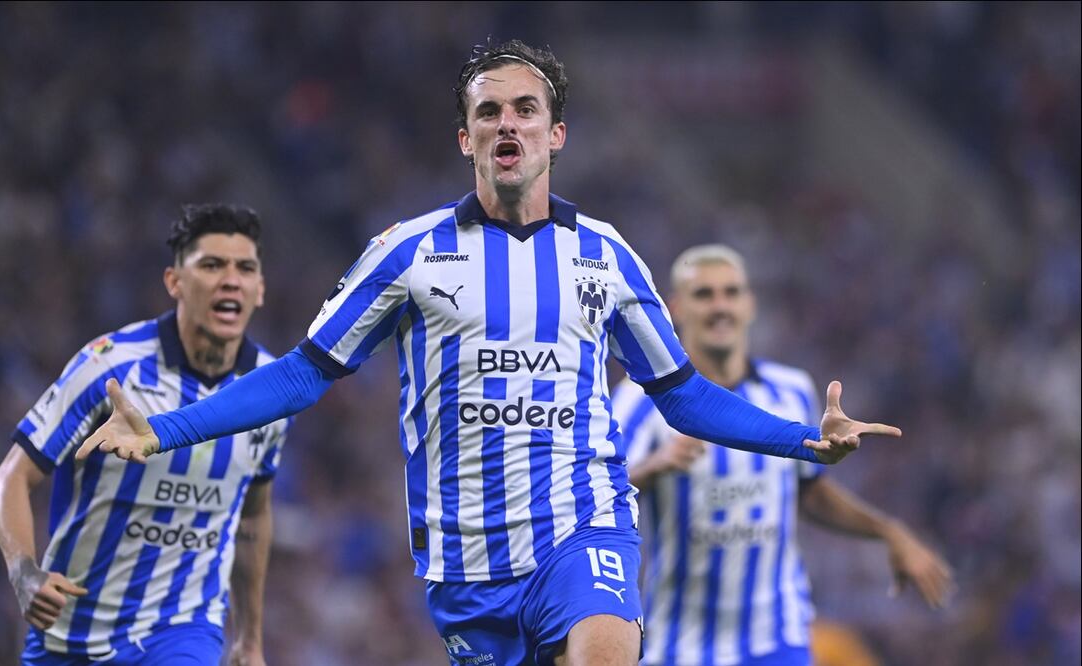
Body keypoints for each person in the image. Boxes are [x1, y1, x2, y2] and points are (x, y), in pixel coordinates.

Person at [73, 41, 901, 666]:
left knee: (606, 644)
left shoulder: (605, 257)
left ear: (556, 133)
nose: (508, 123)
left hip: (583, 525)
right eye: (489, 113)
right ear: (465, 138)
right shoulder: (407, 255)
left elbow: (682, 395)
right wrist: (164, 429)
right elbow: (298, 375)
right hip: (467, 566)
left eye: (525, 110)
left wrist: (803, 440)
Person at [612, 244, 954, 665]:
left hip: (778, 642)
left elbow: (810, 493)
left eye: (731, 292)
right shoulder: (641, 401)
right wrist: (650, 468)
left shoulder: (790, 390)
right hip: (682, 647)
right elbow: (599, 491)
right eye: (704, 295)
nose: (720, 306)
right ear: (676, 308)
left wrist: (889, 531)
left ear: (750, 304)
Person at [0, 204, 290, 665]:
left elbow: (253, 516)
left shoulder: (270, 391)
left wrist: (249, 639)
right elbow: (10, 479)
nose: (231, 280)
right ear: (174, 282)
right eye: (211, 265)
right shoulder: (110, 366)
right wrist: (23, 571)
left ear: (260, 289)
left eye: (245, 269)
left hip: (184, 631)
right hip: (70, 635)